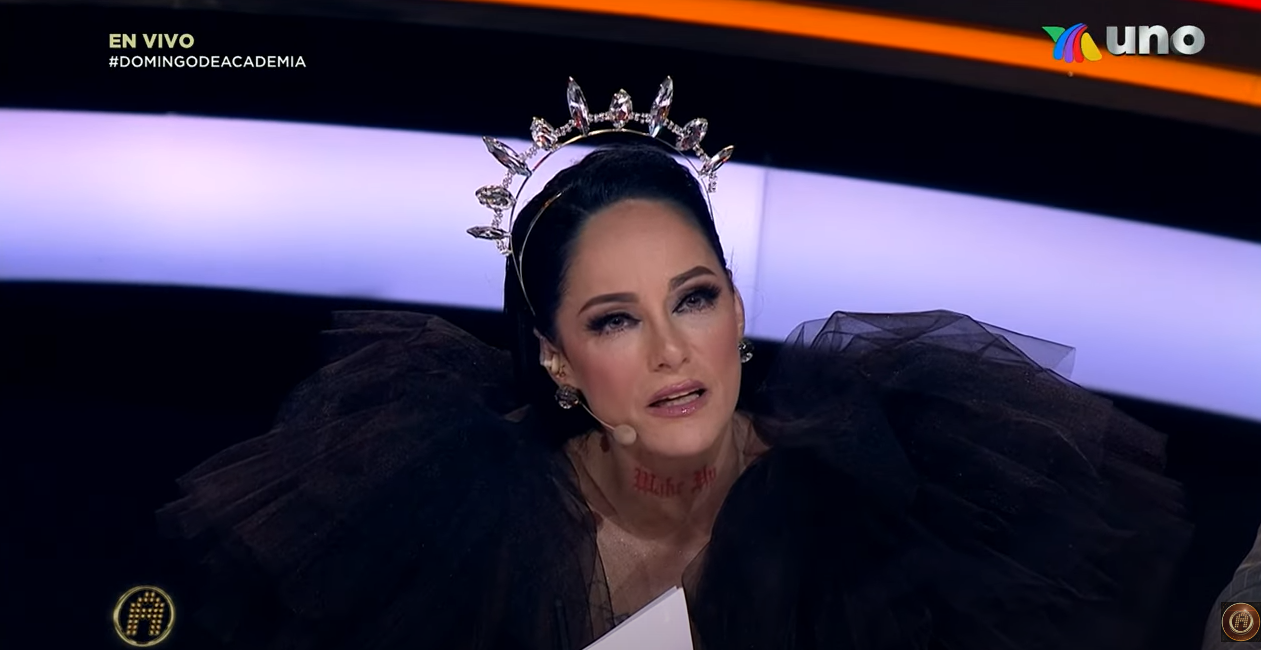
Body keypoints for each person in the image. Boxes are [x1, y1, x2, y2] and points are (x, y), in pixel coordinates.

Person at [157, 82, 1192, 650]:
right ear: (557, 361)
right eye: (615, 320)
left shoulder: (883, 506)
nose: (669, 349)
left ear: (735, 308)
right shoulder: (457, 532)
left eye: (693, 297)